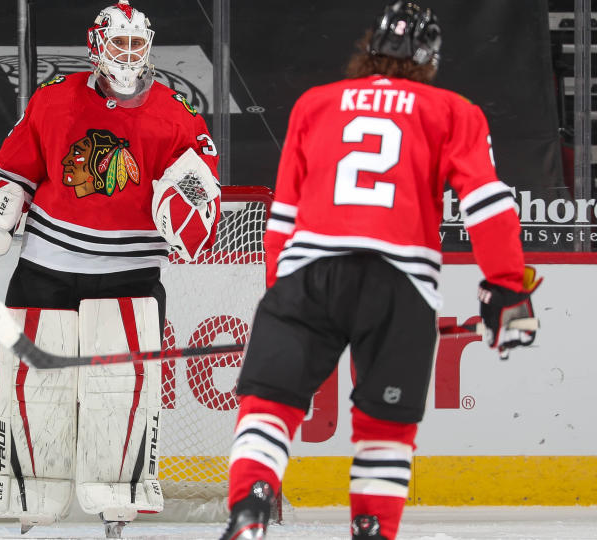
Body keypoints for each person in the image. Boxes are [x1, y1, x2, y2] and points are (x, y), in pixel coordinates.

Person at [218, 3, 542, 540]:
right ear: (430, 58)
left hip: (309, 275)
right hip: (401, 283)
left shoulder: (315, 104)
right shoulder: (453, 111)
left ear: (371, 47)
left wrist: (282, 301)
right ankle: (372, 528)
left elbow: (283, 219)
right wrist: (507, 287)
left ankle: (250, 507)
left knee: (269, 404)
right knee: (385, 428)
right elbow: (488, 206)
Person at [0, 1, 221, 537]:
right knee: (35, 385)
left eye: (138, 45)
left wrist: (195, 199)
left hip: (131, 275)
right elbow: (14, 168)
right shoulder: (53, 101)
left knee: (122, 388)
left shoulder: (175, 113)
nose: (130, 56)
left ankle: (119, 495)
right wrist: (3, 199)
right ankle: (31, 496)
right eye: (121, 44)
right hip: (48, 265)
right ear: (97, 46)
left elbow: (201, 177)